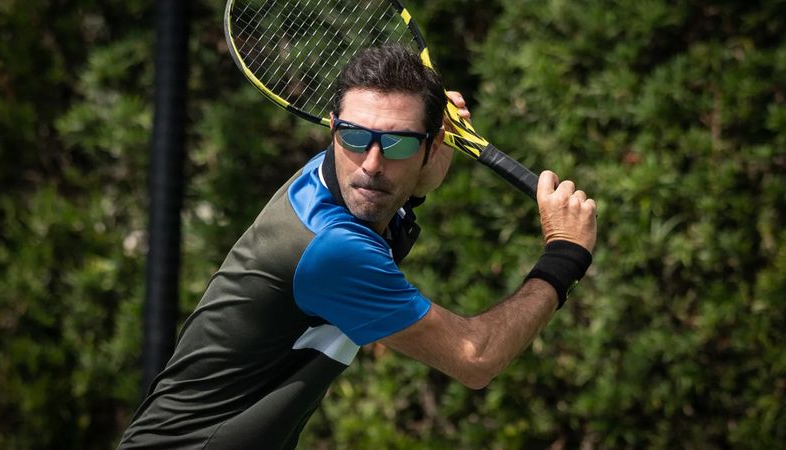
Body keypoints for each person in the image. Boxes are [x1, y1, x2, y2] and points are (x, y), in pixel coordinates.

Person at [118, 44, 597, 449]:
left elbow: (383, 207)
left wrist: (419, 187)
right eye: (354, 136)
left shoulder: (327, 184)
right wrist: (564, 255)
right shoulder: (332, 250)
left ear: (432, 148)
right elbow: (475, 358)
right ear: (332, 127)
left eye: (397, 144)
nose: (370, 164)